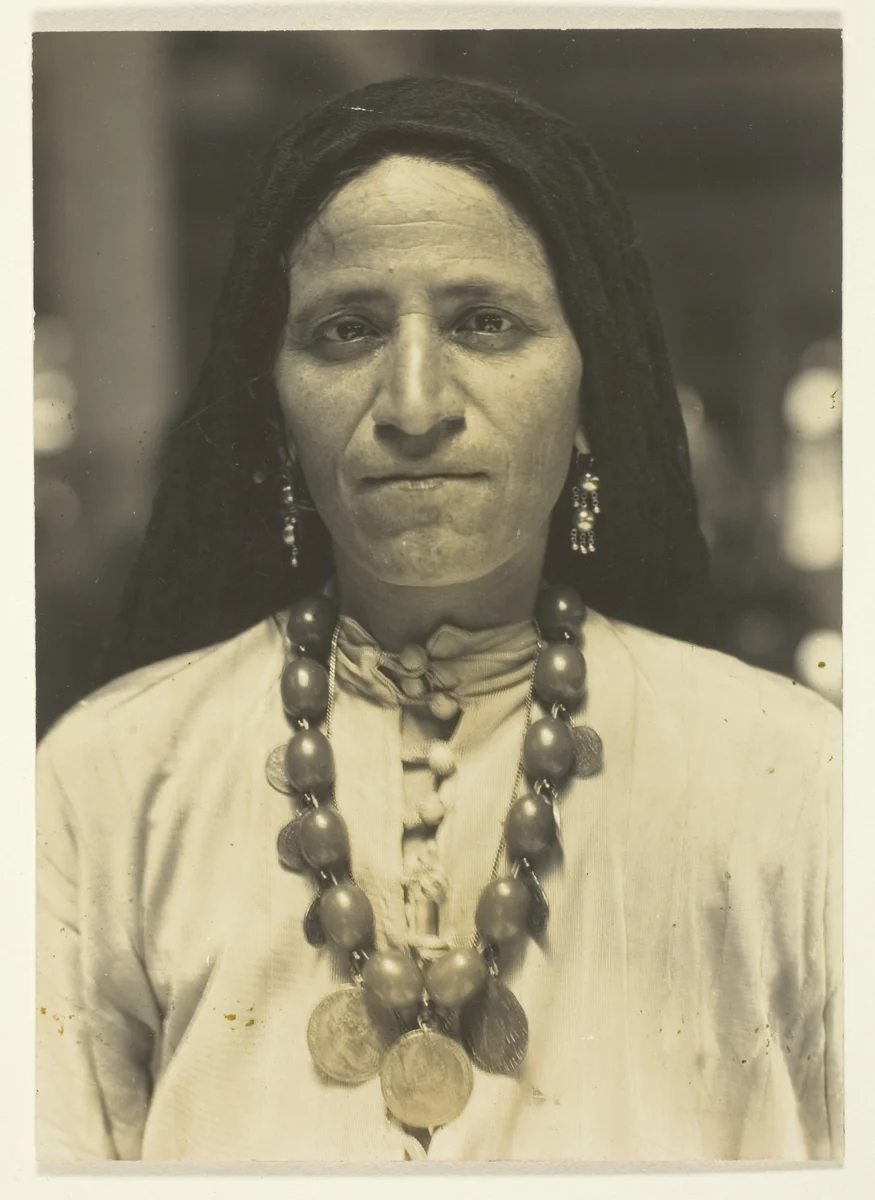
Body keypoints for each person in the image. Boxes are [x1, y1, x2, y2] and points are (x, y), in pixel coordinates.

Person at [35, 75, 841, 1163]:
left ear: (588, 390)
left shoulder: (798, 783)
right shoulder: (106, 783)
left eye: (485, 322)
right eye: (346, 330)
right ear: (272, 405)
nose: (416, 405)